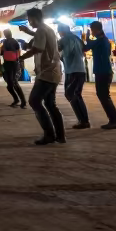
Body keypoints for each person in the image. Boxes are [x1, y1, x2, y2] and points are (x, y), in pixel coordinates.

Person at [19, 8, 65, 145]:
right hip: (53, 71)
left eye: (29, 20)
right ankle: (60, 135)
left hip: (47, 72)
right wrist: (28, 32)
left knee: (34, 101)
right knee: (50, 104)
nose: (29, 22)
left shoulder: (41, 30)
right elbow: (40, 38)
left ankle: (49, 134)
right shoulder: (47, 29)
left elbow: (37, 48)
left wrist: (21, 58)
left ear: (34, 18)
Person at [85, 21, 116, 129]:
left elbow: (86, 47)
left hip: (103, 71)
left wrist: (87, 37)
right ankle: (113, 120)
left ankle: (114, 121)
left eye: (92, 30)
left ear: (96, 29)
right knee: (103, 95)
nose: (92, 32)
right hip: (103, 71)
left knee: (104, 96)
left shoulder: (100, 40)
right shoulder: (103, 40)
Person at [57, 24, 90, 129]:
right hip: (78, 70)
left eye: (59, 31)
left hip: (73, 71)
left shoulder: (65, 39)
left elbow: (65, 52)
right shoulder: (77, 38)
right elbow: (84, 49)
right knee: (75, 94)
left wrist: (60, 55)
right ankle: (83, 120)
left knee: (71, 94)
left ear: (61, 31)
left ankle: (83, 121)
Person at [0, 28, 26, 108]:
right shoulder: (6, 42)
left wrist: (18, 60)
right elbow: (2, 52)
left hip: (12, 64)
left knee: (13, 83)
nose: (5, 35)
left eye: (5, 33)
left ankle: (22, 101)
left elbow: (17, 52)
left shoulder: (11, 42)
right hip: (8, 63)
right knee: (10, 84)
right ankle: (18, 100)